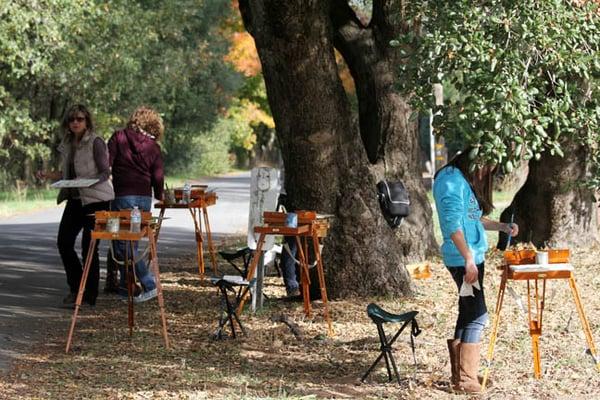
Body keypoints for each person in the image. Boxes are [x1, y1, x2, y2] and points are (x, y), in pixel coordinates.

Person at [432, 147, 518, 393]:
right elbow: (452, 225)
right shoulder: (450, 180)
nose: (485, 173)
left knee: (468, 311)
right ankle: (466, 380)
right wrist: (468, 259)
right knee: (478, 315)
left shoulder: (461, 179)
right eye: (485, 167)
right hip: (462, 260)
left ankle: (461, 376)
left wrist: (502, 226)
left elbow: (472, 218)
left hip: (471, 257)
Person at [37, 104, 114, 306]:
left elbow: (105, 172)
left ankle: (89, 296)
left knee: (89, 247)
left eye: (79, 119)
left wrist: (88, 182)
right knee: (64, 242)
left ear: (87, 120)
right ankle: (78, 286)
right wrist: (48, 175)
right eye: (71, 119)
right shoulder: (68, 143)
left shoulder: (95, 141)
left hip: (97, 200)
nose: (75, 123)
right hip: (75, 199)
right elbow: (68, 176)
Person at [108, 106, 164, 303]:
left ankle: (150, 284)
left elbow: (107, 164)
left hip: (122, 196)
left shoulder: (118, 137)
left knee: (121, 245)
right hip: (143, 198)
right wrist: (160, 194)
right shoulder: (153, 146)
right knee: (131, 243)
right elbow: (158, 175)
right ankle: (127, 290)